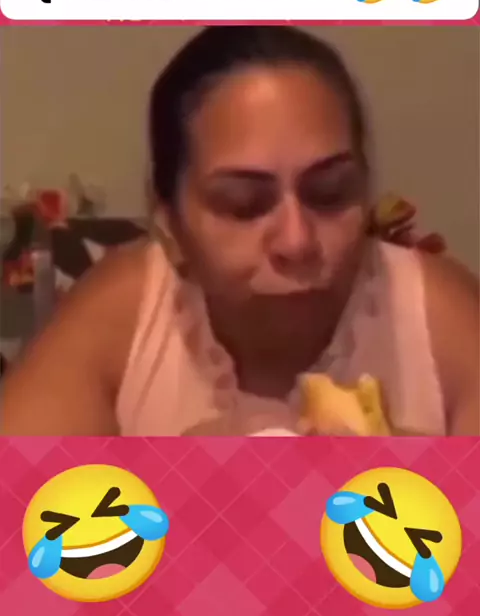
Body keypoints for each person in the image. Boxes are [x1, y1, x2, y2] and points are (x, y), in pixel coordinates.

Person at [1, 27, 478, 436]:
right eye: (243, 205)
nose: (296, 241)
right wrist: (186, 479)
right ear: (168, 220)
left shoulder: (437, 313)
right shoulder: (123, 313)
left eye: (330, 194)